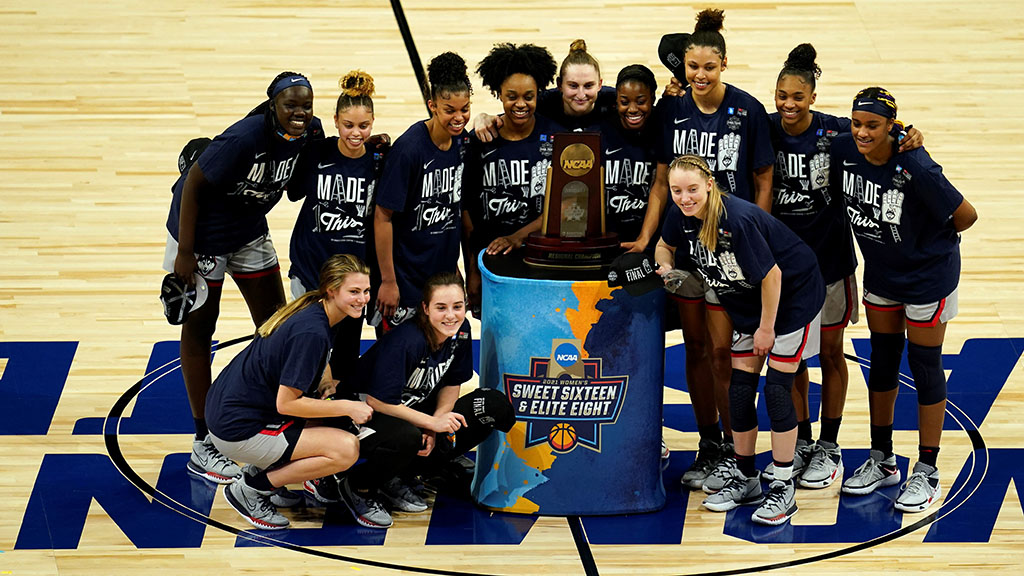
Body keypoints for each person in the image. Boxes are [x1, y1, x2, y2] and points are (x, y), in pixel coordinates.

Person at [764, 44, 925, 489]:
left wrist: (909, 132)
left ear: (813, 97)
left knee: (832, 354)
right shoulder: (766, 128)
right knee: (790, 361)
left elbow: (880, 131)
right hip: (784, 272)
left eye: (798, 96)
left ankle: (830, 448)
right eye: (781, 95)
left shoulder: (836, 132)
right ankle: (800, 442)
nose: (788, 104)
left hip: (831, 264)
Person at [630, 9, 775, 493]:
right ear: (683, 67)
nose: (699, 75)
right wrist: (649, 240)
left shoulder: (748, 110)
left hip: (731, 250)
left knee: (721, 352)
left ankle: (737, 447)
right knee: (695, 347)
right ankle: (710, 443)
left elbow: (762, 178)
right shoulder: (671, 109)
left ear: (724, 64)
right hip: (685, 251)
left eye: (708, 67)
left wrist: (759, 234)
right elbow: (658, 179)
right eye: (692, 66)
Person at [164, 71, 323, 484]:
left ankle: (263, 419)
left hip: (249, 231)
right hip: (202, 238)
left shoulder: (309, 132)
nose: (300, 112)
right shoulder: (244, 138)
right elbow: (193, 184)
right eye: (291, 105)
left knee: (276, 324)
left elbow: (295, 190)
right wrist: (184, 251)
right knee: (201, 330)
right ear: (273, 105)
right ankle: (204, 440)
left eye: (306, 105)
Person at [656, 154, 825, 526]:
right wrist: (666, 269)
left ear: (710, 185)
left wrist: (766, 329)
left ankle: (783, 488)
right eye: (677, 191)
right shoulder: (680, 215)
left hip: (792, 298)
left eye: (692, 190)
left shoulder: (738, 220)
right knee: (739, 390)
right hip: (749, 300)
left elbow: (773, 276)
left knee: (778, 389)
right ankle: (747, 478)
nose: (685, 198)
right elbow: (664, 246)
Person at [834, 87, 977, 513]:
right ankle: (882, 458)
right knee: (881, 359)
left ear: (892, 127)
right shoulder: (844, 145)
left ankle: (928, 471)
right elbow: (799, 117)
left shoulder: (915, 164)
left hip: (928, 279)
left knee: (924, 364)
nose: (862, 131)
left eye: (872, 125)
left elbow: (966, 216)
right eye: (857, 122)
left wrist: (926, 245)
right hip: (882, 273)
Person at [327, 272, 515, 529]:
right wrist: (429, 423)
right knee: (407, 437)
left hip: (410, 410)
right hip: (361, 415)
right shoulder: (408, 340)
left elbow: (452, 382)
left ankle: (407, 473)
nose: (451, 315)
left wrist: (436, 422)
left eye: (457, 307)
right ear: (425, 309)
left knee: (490, 407)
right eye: (441, 308)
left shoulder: (460, 332)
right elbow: (379, 401)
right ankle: (358, 485)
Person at [204, 254, 374, 530]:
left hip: (231, 409)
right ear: (331, 290)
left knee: (328, 421)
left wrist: (326, 383)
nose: (362, 299)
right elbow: (287, 404)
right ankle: (251, 487)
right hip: (238, 428)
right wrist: (347, 407)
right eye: (354, 292)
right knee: (345, 449)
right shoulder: (312, 333)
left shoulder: (315, 309)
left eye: (366, 291)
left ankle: (268, 468)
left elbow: (317, 360)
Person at [287, 70, 388, 382]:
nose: (355, 132)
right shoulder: (318, 151)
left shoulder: (379, 160)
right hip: (311, 269)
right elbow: (293, 193)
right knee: (308, 346)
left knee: (345, 351)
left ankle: (339, 412)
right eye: (348, 125)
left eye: (363, 126)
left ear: (372, 124)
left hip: (353, 277)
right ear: (335, 120)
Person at [374, 52, 471, 331]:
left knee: (443, 366)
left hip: (443, 281)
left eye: (464, 108)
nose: (459, 117)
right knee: (402, 366)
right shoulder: (409, 150)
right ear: (432, 106)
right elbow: (383, 216)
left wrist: (456, 270)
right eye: (449, 109)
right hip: (406, 283)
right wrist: (388, 281)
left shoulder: (463, 144)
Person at [462, 42, 561, 313]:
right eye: (511, 96)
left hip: (542, 260)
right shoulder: (480, 140)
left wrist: (518, 236)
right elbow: (467, 215)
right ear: (498, 94)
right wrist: (472, 270)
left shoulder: (556, 139)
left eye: (528, 96)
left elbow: (561, 206)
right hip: (491, 263)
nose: (520, 104)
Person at [470, 39, 616, 142]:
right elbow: (512, 112)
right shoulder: (543, 103)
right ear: (559, 84)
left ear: (600, 85)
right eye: (573, 85)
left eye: (589, 85)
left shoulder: (613, 100)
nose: (581, 94)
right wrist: (483, 117)